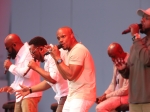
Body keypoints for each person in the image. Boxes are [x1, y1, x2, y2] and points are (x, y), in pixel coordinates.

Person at [50, 26, 96, 112]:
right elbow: (65, 76)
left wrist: (58, 57)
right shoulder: (70, 51)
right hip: (73, 95)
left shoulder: (78, 50)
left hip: (82, 95)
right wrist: (55, 59)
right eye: (58, 38)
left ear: (72, 35)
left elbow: (71, 75)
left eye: (63, 36)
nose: (60, 40)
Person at [16, 36, 68, 112]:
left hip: (67, 95)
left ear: (41, 49)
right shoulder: (47, 59)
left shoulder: (52, 55)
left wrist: (35, 67)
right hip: (63, 96)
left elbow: (53, 79)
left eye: (33, 52)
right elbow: (49, 82)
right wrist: (30, 90)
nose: (33, 56)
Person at [115, 8, 150, 112]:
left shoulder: (137, 42)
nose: (142, 20)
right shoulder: (137, 44)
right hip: (134, 101)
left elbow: (147, 59)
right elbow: (130, 74)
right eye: (142, 18)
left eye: (146, 18)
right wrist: (124, 70)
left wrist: (135, 36)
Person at [0, 34, 42, 112]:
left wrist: (10, 67)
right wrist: (12, 87)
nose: (7, 52)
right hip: (21, 95)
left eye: (7, 48)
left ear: (14, 45)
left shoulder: (29, 51)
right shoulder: (19, 54)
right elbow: (20, 77)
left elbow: (27, 74)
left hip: (29, 95)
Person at [95, 43, 129, 112]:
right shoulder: (117, 62)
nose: (112, 60)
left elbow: (126, 90)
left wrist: (107, 96)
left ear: (120, 51)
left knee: (100, 108)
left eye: (113, 56)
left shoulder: (130, 62)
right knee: (106, 106)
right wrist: (104, 95)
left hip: (127, 96)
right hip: (117, 96)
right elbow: (113, 83)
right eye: (111, 57)